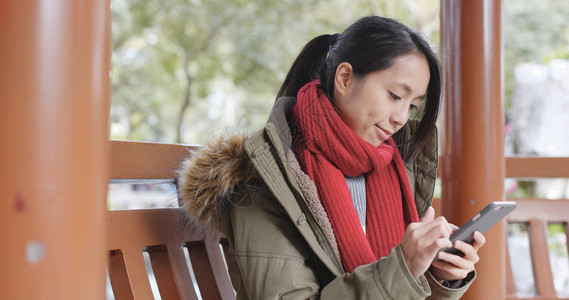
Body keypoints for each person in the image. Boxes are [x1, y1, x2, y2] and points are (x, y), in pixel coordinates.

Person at [178, 16, 486, 299]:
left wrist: (437, 274)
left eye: (413, 105)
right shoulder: (265, 176)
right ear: (345, 78)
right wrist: (403, 267)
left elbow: (406, 286)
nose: (401, 118)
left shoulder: (396, 168)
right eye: (394, 96)